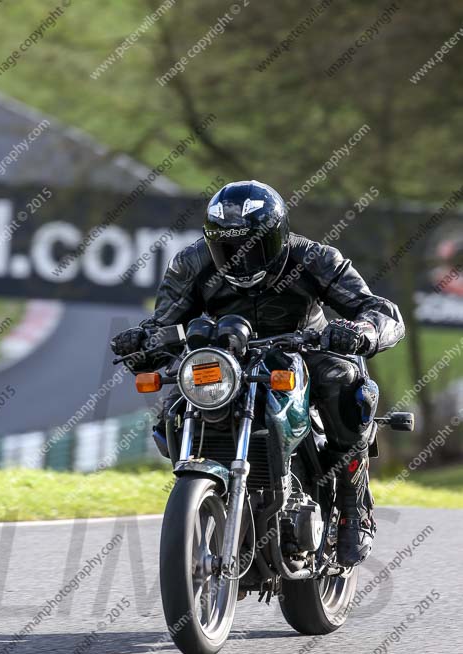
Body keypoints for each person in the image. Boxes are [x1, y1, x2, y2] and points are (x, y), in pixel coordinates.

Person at [111, 180, 405, 566]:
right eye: (227, 249)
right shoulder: (192, 263)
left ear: (279, 237)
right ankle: (206, 493)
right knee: (175, 408)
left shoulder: (314, 258)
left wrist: (358, 331)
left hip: (303, 352)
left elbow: (382, 313)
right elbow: (162, 325)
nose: (241, 260)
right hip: (227, 357)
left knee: (345, 384)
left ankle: (353, 508)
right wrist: (141, 344)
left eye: (253, 247)